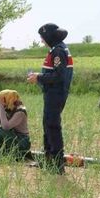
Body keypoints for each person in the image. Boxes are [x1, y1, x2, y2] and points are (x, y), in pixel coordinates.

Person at [27, 23, 74, 174]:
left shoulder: (58, 51)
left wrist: (39, 77)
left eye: (42, 37)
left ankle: (57, 165)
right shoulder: (56, 49)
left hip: (56, 94)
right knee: (47, 125)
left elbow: (58, 76)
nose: (41, 40)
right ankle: (48, 160)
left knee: (53, 127)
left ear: (49, 37)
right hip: (52, 94)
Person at [0, 90, 31, 159]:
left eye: (1, 99)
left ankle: (15, 155)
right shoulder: (5, 108)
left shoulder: (20, 111)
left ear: (9, 99)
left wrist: (1, 108)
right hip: (9, 136)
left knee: (1, 132)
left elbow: (6, 127)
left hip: (21, 140)